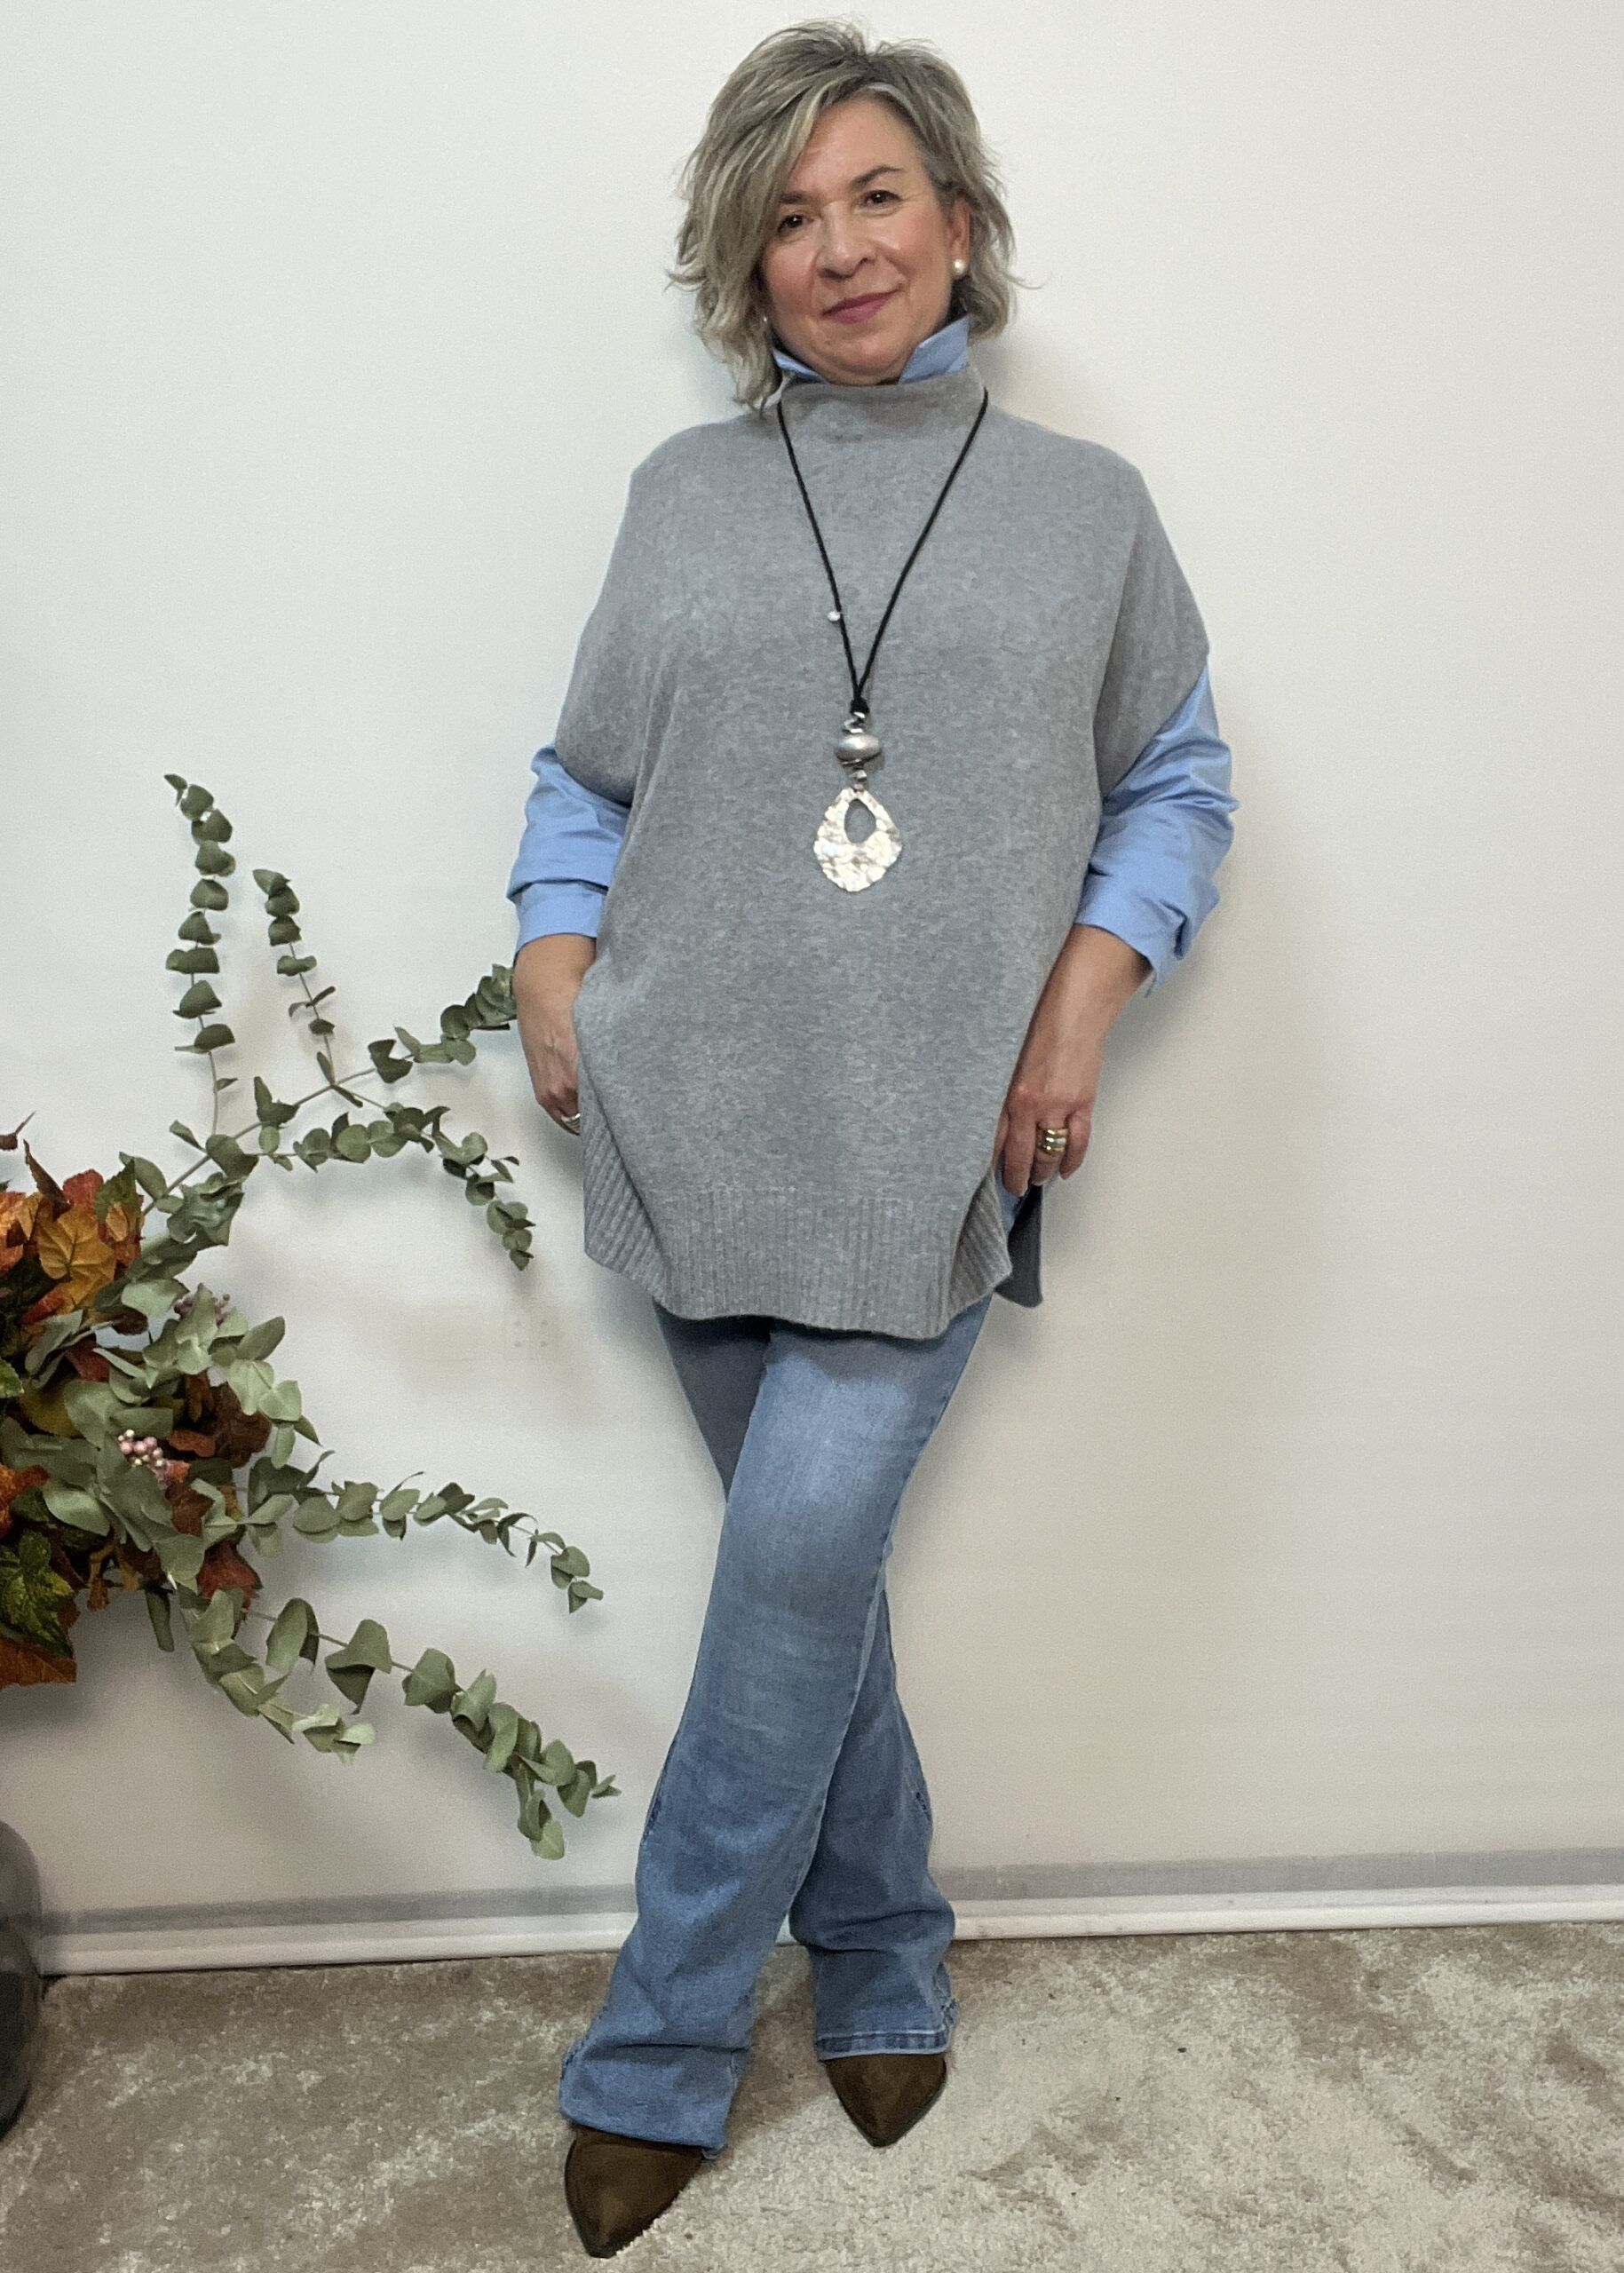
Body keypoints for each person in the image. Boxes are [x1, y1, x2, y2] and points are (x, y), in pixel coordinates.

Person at [507, 22, 1237, 2258]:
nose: (839, 249)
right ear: (747, 261)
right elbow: (586, 775)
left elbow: (1177, 782)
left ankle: (656, 2049)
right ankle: (891, 1942)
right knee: (807, 1590)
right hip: (686, 1113)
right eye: (792, 217)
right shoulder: (682, 494)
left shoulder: (1089, 511)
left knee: (795, 1563)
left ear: (959, 219)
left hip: (936, 1137)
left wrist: (1080, 1006)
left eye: (878, 196)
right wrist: (552, 957)